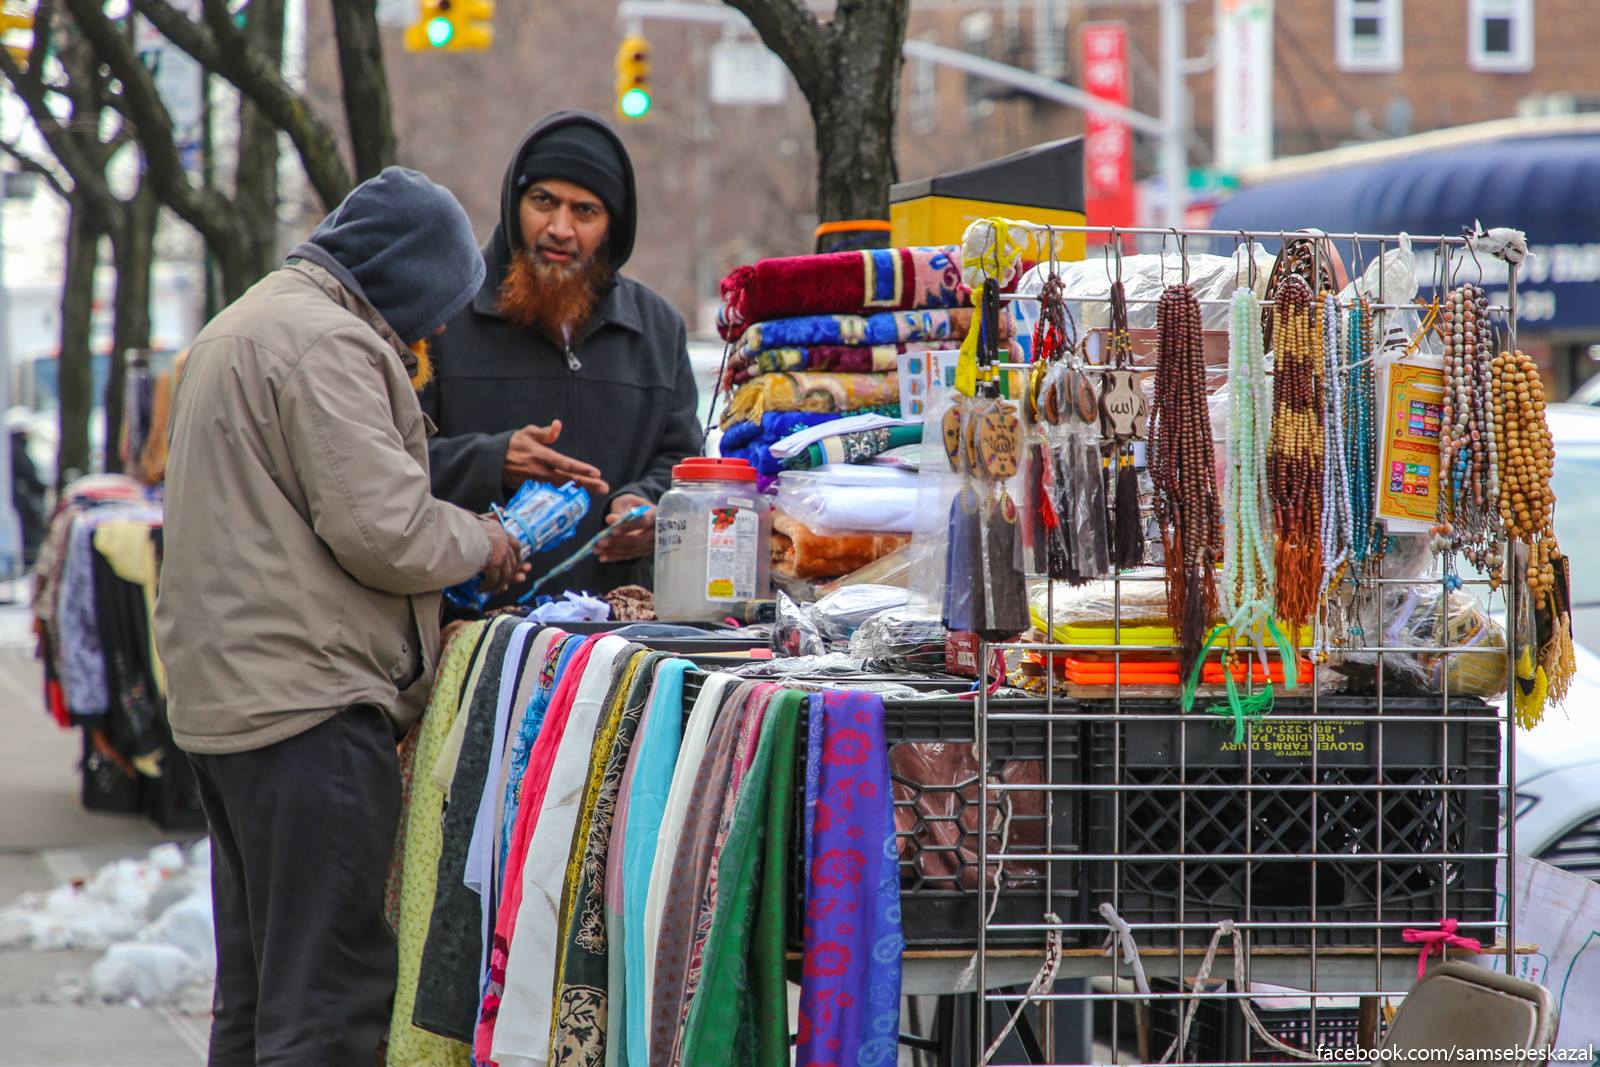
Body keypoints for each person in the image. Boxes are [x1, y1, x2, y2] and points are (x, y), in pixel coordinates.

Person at [154, 167, 528, 1067]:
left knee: (256, 1000)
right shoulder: (326, 343)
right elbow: (385, 530)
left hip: (234, 707)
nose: (438, 327)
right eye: (438, 302)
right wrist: (485, 539)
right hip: (307, 712)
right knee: (326, 1006)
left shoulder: (247, 322)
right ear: (405, 276)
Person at [423, 109, 702, 601]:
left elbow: (681, 461)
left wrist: (645, 503)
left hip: (617, 642)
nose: (560, 228)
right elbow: (391, 465)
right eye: (543, 201)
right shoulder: (443, 316)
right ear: (514, 206)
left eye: (585, 211)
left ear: (612, 226)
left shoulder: (657, 328)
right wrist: (493, 460)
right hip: (472, 629)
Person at [8, 407, 46, 565]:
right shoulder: (16, 451)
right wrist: (42, 488)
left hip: (16, 496)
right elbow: (29, 474)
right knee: (29, 530)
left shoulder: (9, 449)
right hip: (19, 499)